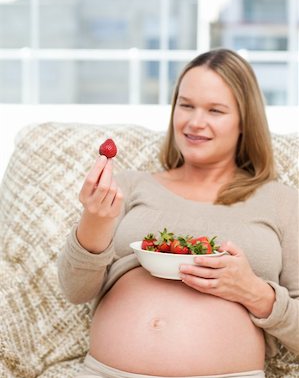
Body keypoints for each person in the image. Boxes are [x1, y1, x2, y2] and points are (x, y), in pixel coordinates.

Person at [58, 48, 299, 378]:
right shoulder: (128, 187)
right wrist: (95, 219)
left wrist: (255, 293)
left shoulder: (283, 203)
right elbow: (75, 290)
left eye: (215, 110)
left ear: (245, 121)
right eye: (186, 105)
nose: (195, 123)